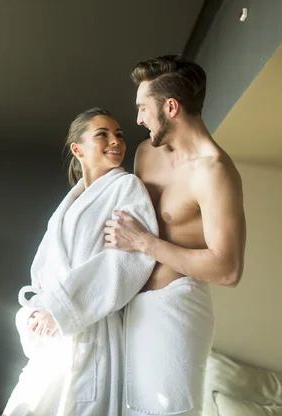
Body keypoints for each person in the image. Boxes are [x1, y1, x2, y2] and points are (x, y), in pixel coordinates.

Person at [104, 55, 246, 415]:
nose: (137, 119)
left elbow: (228, 269)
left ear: (171, 106)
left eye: (142, 108)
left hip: (177, 311)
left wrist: (144, 243)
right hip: (129, 308)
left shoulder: (214, 171)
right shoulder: (145, 155)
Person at [3, 108, 158, 416]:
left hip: (91, 328)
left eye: (119, 134)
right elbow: (45, 268)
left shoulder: (127, 187)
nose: (115, 141)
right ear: (78, 149)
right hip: (56, 333)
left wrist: (61, 308)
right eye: (103, 134)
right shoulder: (70, 203)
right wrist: (40, 311)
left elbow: (128, 260)